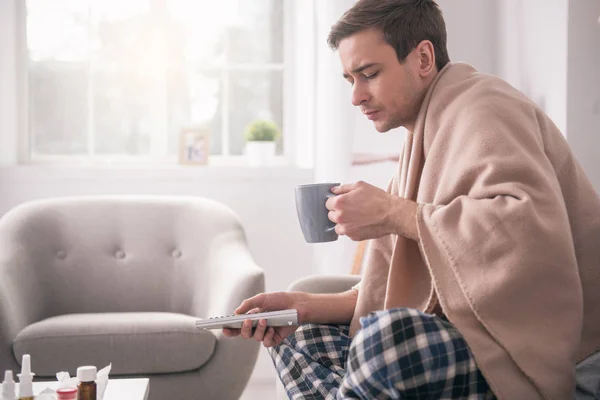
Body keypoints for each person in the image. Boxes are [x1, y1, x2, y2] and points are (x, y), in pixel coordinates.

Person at [224, 1, 600, 399]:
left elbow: (522, 228)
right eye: (350, 79)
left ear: (423, 57)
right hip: (465, 335)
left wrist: (391, 213)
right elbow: (410, 289)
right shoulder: (419, 142)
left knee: (387, 340)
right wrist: (302, 306)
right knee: (302, 337)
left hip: (558, 350)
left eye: (368, 74)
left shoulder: (487, 107)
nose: (356, 96)